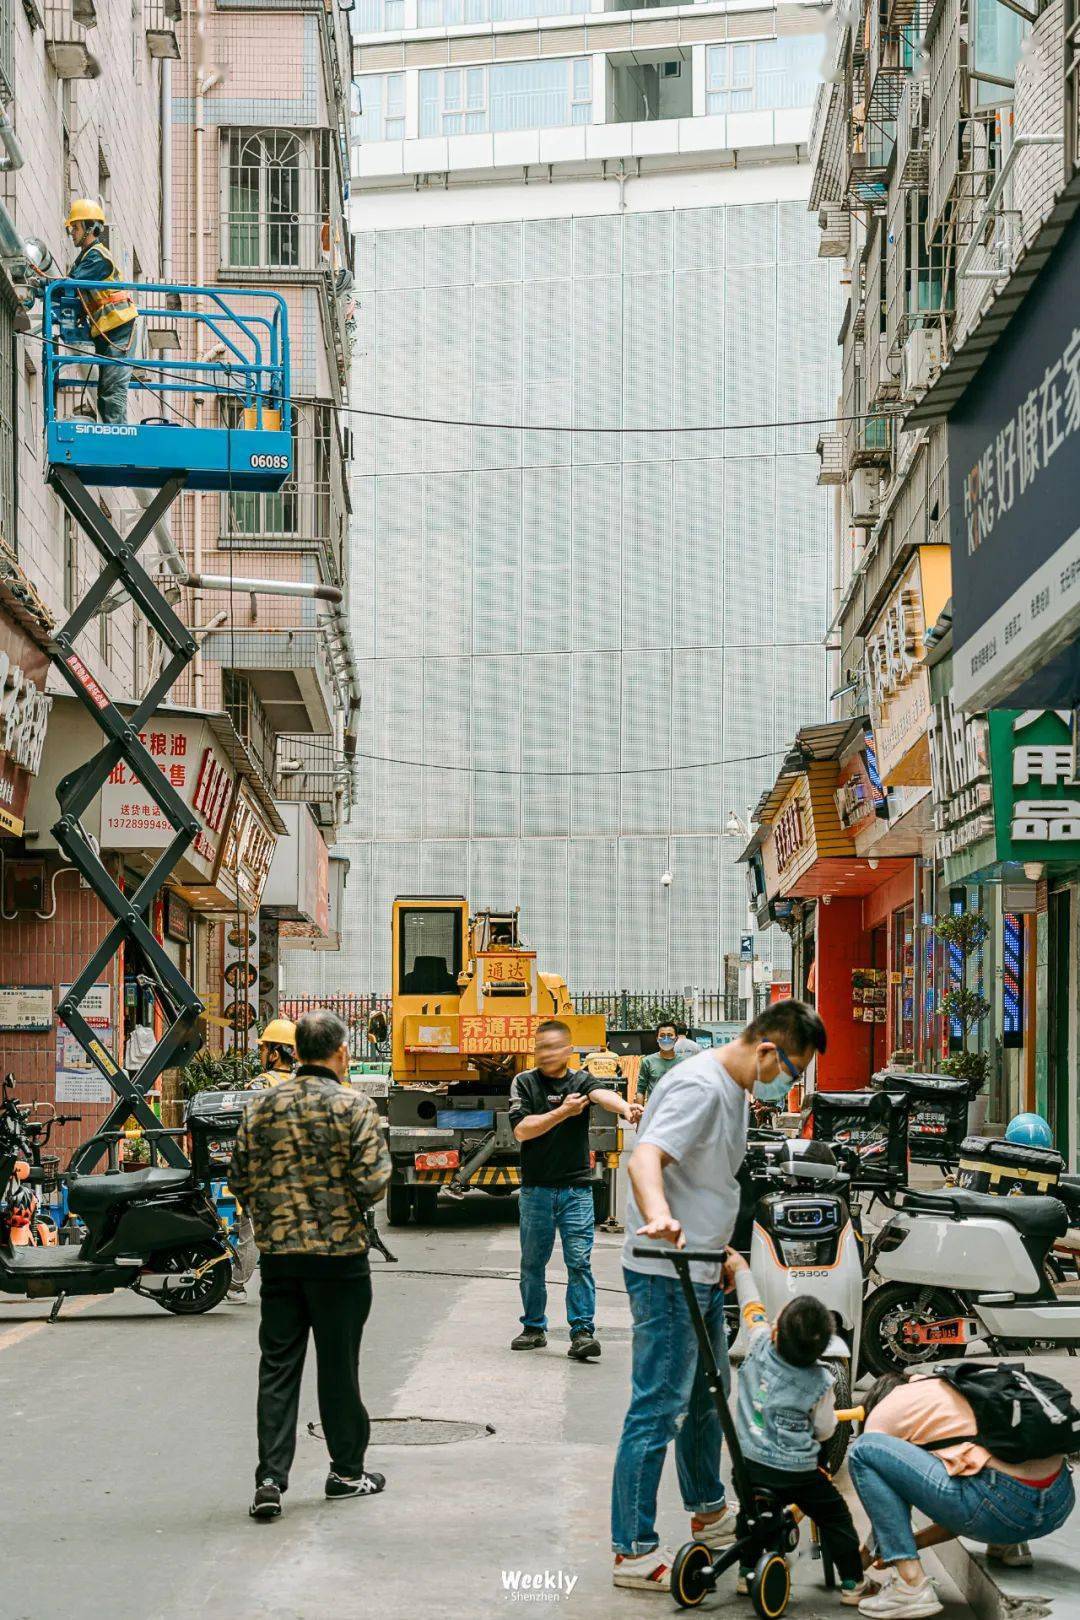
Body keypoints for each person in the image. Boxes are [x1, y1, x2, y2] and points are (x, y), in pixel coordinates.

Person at [610, 999, 828, 1591]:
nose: (791, 1084)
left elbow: (707, 1181)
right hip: (666, 1270)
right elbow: (646, 1158)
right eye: (794, 1070)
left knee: (711, 1395)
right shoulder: (701, 1088)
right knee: (658, 1405)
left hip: (702, 1267)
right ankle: (631, 1549)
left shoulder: (732, 1089)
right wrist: (660, 1217)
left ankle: (708, 1512)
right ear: (766, 1051)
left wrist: (724, 1254)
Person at [228, 1009, 392, 1521]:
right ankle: (346, 1473)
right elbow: (373, 1181)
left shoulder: (262, 1107)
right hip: (340, 1261)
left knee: (278, 1367)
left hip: (280, 1261)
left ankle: (270, 1480)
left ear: (295, 1052)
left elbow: (237, 1176)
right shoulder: (354, 1106)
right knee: (339, 1368)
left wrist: (274, 1209)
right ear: (341, 1053)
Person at [848, 1372, 1075, 1618]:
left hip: (997, 1508)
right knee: (984, 1460)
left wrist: (857, 1565)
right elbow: (958, 1512)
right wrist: (911, 1543)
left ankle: (909, 1586)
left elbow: (885, 1507)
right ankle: (1010, 1546)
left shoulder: (887, 1408)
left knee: (864, 1449)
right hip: (1058, 1504)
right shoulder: (961, 1386)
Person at [726, 1248, 867, 1604]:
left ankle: (746, 1572)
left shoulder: (758, 1346)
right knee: (835, 1516)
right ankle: (853, 1582)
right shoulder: (820, 1380)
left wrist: (741, 1269)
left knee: (751, 1513)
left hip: (748, 1466)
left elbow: (751, 1307)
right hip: (797, 1473)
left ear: (776, 1332)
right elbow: (824, 1430)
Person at [509, 1018, 642, 1361]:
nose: (545, 1053)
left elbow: (602, 1094)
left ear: (568, 1051)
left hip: (576, 1191)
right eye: (540, 1047)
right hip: (536, 1190)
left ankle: (582, 1332)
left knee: (579, 1262)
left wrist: (626, 1107)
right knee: (532, 1263)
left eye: (553, 1047)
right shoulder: (523, 1083)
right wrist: (563, 1111)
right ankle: (534, 1328)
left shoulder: (581, 1080)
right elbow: (522, 1130)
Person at [58, 199, 138, 424]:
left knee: (112, 393)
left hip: (120, 327)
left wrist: (44, 286)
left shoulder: (98, 257)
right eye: (71, 228)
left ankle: (118, 444)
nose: (72, 232)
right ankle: (116, 441)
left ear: (90, 228)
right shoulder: (84, 258)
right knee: (106, 393)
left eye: (75, 227)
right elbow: (67, 288)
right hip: (108, 330)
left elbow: (69, 285)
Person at [636, 1022, 688, 1105]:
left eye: (670, 1035)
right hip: (654, 1111)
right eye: (662, 1035)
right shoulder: (647, 1061)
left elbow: (688, 1089)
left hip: (677, 1110)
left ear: (676, 1038)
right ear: (657, 1038)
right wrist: (639, 1113)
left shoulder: (684, 1062)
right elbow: (640, 1090)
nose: (666, 1039)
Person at [246, 1018, 297, 1089]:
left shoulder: (261, 1084)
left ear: (274, 1055)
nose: (261, 1053)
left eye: (263, 1050)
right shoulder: (301, 1082)